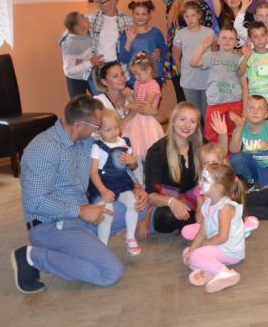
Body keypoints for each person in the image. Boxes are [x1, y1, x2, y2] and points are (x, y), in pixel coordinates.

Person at [11, 96, 147, 293]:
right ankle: (32, 256)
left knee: (139, 206)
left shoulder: (86, 143)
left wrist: (136, 187)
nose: (98, 130)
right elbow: (35, 202)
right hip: (51, 225)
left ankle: (82, 244)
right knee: (109, 272)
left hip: (83, 217)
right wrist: (80, 211)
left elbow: (114, 167)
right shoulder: (44, 148)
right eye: (96, 125)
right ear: (80, 125)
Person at [182, 163, 246, 293]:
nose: (200, 182)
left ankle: (225, 273)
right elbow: (201, 233)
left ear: (218, 188)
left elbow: (223, 237)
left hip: (229, 251)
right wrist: (192, 250)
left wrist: (202, 246)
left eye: (205, 179)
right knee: (187, 252)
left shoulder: (225, 208)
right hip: (218, 246)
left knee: (195, 256)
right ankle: (208, 272)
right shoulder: (207, 204)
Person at [89, 109, 141, 256]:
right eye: (107, 130)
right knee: (107, 213)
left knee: (134, 204)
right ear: (98, 131)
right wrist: (103, 190)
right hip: (104, 183)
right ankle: (103, 247)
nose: (113, 132)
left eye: (115, 127)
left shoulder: (124, 142)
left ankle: (130, 237)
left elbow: (132, 167)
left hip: (122, 181)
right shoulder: (97, 147)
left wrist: (133, 161)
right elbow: (93, 172)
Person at [144, 102, 202, 234]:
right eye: (183, 119)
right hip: (166, 203)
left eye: (192, 121)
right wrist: (171, 202)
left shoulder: (199, 144)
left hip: (196, 200)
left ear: (197, 126)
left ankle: (199, 223)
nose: (187, 125)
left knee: (236, 183)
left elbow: (219, 167)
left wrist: (222, 135)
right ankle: (205, 223)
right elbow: (151, 195)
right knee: (166, 217)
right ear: (173, 121)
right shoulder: (157, 151)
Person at [164, 0, 215, 103]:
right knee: (181, 96)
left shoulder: (202, 6)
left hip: (198, 52)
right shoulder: (171, 4)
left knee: (202, 99)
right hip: (177, 51)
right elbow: (170, 30)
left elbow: (209, 33)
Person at [189, 25, 244, 144]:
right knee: (212, 137)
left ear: (236, 42)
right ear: (218, 41)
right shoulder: (212, 56)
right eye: (224, 38)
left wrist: (244, 109)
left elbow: (245, 84)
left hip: (234, 103)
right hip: (215, 104)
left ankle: (231, 156)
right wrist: (203, 46)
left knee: (233, 135)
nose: (227, 41)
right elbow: (193, 62)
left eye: (231, 38)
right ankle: (213, 156)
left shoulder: (239, 59)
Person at [239, 21, 268, 127]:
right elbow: (239, 73)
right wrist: (246, 57)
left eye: (262, 35)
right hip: (255, 102)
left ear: (267, 36)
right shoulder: (248, 56)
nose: (260, 39)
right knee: (256, 129)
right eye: (255, 36)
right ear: (250, 39)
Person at [87, 0, 133, 94]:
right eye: (96, 1)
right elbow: (76, 38)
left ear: (113, 1)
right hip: (98, 71)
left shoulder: (128, 21)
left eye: (101, 2)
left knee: (120, 103)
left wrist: (157, 50)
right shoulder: (91, 19)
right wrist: (88, 58)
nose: (98, 5)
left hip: (119, 69)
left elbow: (138, 42)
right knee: (101, 103)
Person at [173, 1, 215, 119]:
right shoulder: (180, 35)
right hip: (189, 81)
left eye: (193, 15)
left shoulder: (209, 32)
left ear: (199, 15)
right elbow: (176, 57)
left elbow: (214, 54)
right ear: (183, 17)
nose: (190, 19)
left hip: (207, 80)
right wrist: (183, 73)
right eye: (187, 16)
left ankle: (207, 132)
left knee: (207, 113)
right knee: (193, 114)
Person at [122, 53, 165, 162]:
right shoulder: (137, 83)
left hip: (148, 121)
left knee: (150, 150)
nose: (136, 77)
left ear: (149, 70)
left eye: (138, 74)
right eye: (134, 74)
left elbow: (145, 106)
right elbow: (136, 101)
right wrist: (129, 96)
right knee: (136, 149)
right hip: (136, 120)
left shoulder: (153, 85)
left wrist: (129, 105)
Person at [118, 0, 165, 87]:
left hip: (153, 78)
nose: (140, 17)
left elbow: (163, 50)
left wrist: (160, 52)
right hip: (134, 80)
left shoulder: (156, 33)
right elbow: (123, 59)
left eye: (144, 14)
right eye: (137, 14)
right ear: (133, 15)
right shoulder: (126, 33)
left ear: (149, 16)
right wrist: (129, 41)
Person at [60, 11, 103, 98]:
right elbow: (69, 70)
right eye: (82, 18)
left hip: (91, 74)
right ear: (77, 26)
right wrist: (90, 63)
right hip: (76, 79)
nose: (87, 18)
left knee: (102, 100)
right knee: (80, 105)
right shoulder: (71, 43)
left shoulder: (89, 33)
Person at [93, 61, 138, 132]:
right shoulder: (99, 102)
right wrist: (130, 115)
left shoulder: (133, 93)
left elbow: (155, 119)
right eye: (115, 76)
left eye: (122, 74)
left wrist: (131, 99)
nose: (121, 78)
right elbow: (109, 133)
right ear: (104, 82)